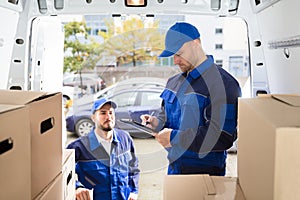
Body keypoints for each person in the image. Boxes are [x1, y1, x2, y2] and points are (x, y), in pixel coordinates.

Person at [141, 22, 241, 176]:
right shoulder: (173, 82)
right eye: (173, 55)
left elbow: (222, 136)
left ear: (196, 44)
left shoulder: (223, 84)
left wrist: (174, 138)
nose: (175, 60)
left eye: (179, 53)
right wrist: (156, 122)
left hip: (205, 175)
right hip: (174, 169)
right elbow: (168, 117)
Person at [67, 97, 140, 200]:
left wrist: (134, 191)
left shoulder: (125, 139)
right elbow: (64, 174)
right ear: (93, 117)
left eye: (111, 113)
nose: (108, 117)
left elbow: (133, 167)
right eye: (103, 113)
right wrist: (76, 187)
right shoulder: (78, 147)